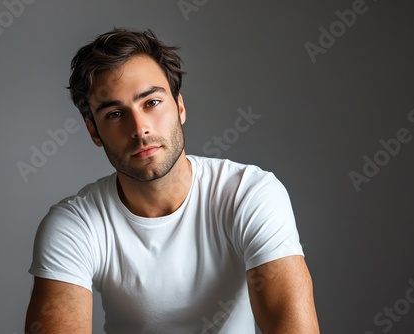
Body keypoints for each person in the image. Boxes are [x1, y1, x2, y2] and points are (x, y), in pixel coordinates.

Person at [25, 28, 320, 334]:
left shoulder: (249, 194)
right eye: (114, 114)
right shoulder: (75, 225)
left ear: (179, 107)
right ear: (94, 132)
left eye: (151, 102)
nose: (140, 129)